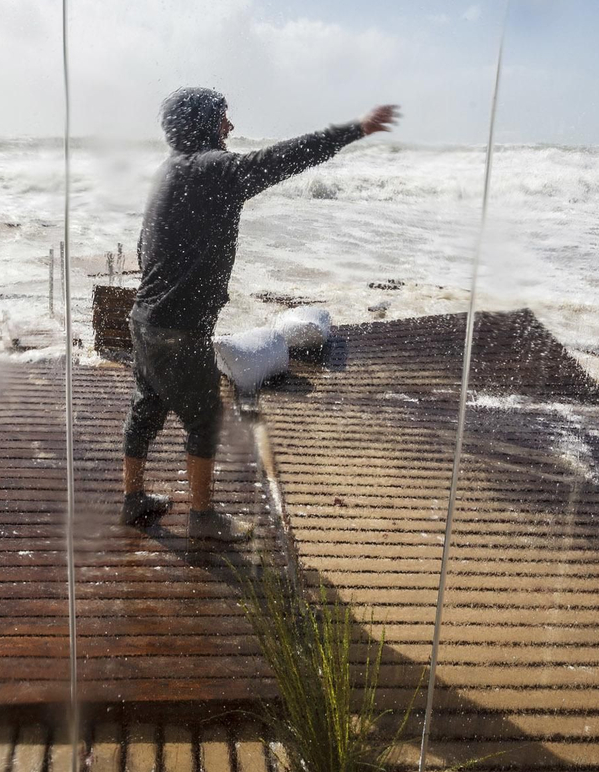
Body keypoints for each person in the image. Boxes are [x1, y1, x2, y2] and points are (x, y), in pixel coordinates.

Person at [121, 87, 400, 540]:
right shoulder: (214, 170)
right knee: (205, 417)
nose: (229, 127)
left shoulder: (168, 171)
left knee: (147, 407)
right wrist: (356, 129)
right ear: (202, 123)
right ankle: (203, 518)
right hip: (180, 328)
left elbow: (142, 246)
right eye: (222, 119)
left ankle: (132, 501)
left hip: (145, 320)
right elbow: (283, 158)